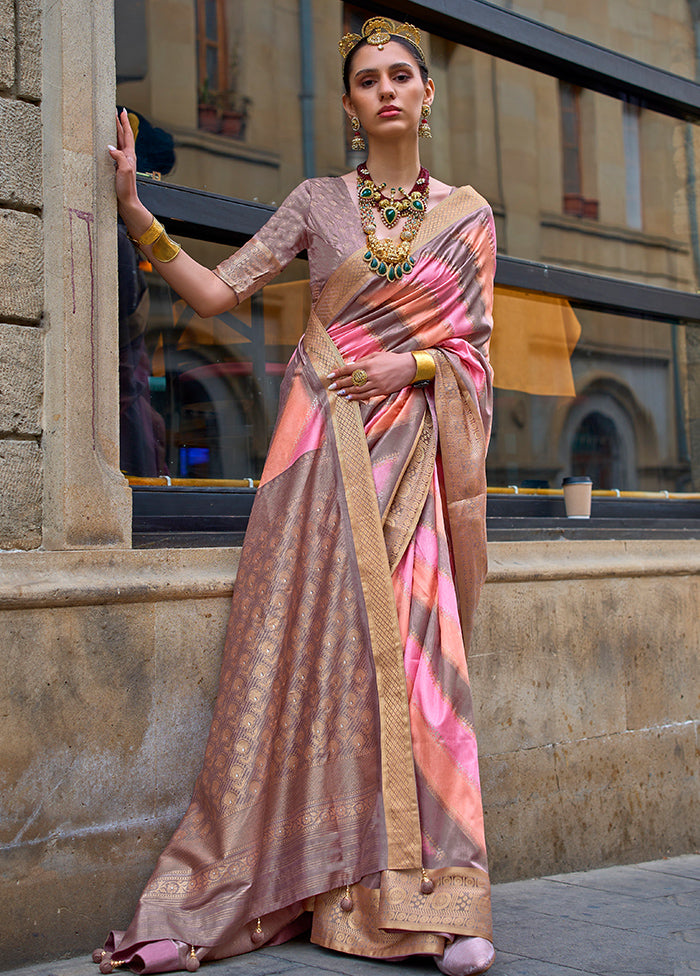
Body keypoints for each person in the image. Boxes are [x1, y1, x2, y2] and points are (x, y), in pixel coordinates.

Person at [99, 16, 496, 976]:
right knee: (308, 663)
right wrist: (135, 212)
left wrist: (409, 363)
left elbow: (476, 350)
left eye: (403, 75)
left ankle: (443, 904)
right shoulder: (318, 202)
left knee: (420, 669)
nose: (387, 90)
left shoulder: (470, 216)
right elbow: (217, 292)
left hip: (413, 469)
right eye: (368, 80)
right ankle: (274, 890)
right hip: (320, 464)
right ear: (353, 106)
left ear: (428, 95)